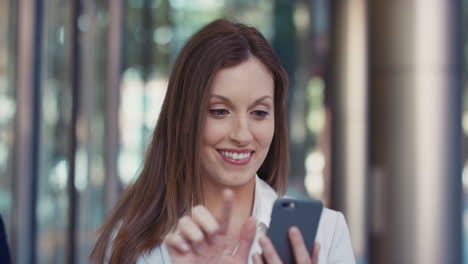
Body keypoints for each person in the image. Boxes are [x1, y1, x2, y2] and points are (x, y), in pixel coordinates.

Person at [90, 18, 355, 264]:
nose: (241, 134)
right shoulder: (132, 243)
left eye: (259, 113)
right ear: (184, 117)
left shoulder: (326, 233)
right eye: (219, 111)